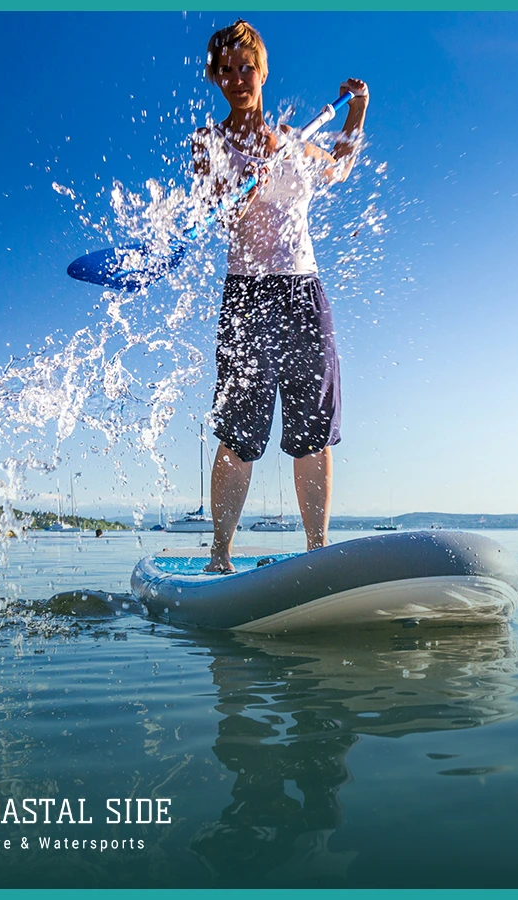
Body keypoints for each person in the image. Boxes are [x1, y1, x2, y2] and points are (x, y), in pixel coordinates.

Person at [191, 19, 369, 573]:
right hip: (246, 296)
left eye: (248, 67)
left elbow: (339, 167)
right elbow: (219, 210)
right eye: (228, 70)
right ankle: (220, 555)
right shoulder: (208, 142)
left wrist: (357, 112)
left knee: (313, 432)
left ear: (262, 71)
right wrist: (250, 175)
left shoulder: (294, 140)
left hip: (302, 292)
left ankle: (317, 555)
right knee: (240, 435)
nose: (239, 77)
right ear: (216, 79)